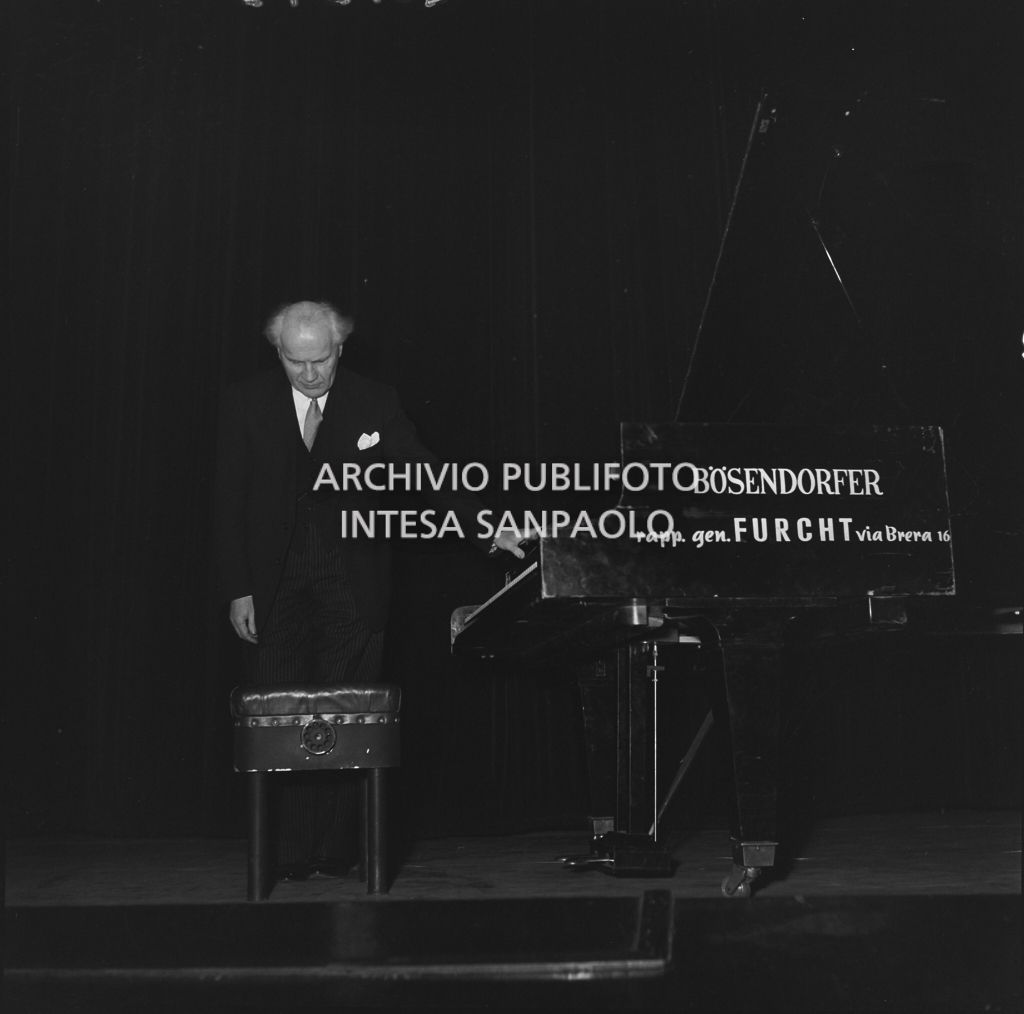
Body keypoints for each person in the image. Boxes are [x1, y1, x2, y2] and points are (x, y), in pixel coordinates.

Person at [214, 300, 522, 876]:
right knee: (280, 720)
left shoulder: (374, 401)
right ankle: (287, 851)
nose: (309, 374)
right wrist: (238, 588)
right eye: (295, 361)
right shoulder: (244, 402)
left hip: (352, 585)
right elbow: (227, 502)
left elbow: (426, 472)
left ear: (341, 348)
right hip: (271, 587)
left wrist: (488, 528)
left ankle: (334, 849)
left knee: (347, 717)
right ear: (277, 352)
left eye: (321, 360)